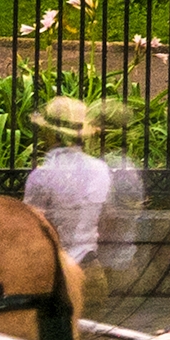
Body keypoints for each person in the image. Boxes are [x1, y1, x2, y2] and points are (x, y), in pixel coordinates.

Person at [22, 95, 134, 282]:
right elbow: (109, 217)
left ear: (51, 133)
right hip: (90, 270)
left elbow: (31, 226)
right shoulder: (100, 169)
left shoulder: (42, 176)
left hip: (53, 274)